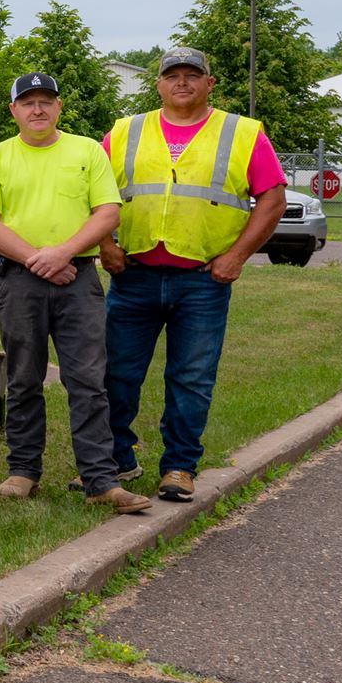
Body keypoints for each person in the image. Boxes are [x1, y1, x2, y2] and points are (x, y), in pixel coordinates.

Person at [102, 47, 289, 503]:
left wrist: (238, 256)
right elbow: (95, 192)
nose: (181, 82)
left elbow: (273, 198)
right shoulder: (126, 130)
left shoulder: (242, 133)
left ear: (210, 83)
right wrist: (105, 245)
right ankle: (116, 459)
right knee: (116, 374)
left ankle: (180, 467)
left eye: (192, 75)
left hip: (203, 280)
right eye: (172, 75)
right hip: (135, 274)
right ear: (158, 84)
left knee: (191, 376)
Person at [0, 72, 149, 513]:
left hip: (79, 278)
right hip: (18, 280)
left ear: (59, 107)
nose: (38, 109)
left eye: (46, 101)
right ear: (13, 110)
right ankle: (24, 470)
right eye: (28, 102)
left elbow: (108, 211)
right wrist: (39, 260)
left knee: (88, 381)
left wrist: (64, 253)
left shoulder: (87, 151)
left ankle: (100, 479)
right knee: (24, 377)